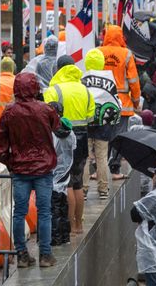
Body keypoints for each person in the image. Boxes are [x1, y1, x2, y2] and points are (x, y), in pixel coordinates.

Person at [0, 73, 60, 268]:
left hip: (21, 169)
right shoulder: (45, 110)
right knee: (45, 212)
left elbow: (0, 142)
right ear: (36, 88)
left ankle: (22, 254)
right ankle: (46, 255)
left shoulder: (9, 112)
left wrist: (10, 162)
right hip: (43, 168)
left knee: (19, 212)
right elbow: (57, 127)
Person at [44, 55, 95, 234]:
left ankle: (70, 224)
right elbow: (91, 117)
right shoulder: (85, 91)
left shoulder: (53, 89)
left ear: (58, 69)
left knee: (66, 184)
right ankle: (79, 225)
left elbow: (46, 114)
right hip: (82, 137)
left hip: (62, 138)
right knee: (78, 182)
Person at [99, 25, 141, 179]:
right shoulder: (127, 54)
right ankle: (114, 169)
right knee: (119, 137)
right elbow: (134, 81)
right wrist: (136, 102)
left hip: (102, 102)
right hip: (122, 103)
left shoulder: (98, 52)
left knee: (101, 136)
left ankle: (99, 169)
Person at [82, 48, 121, 200]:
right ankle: (103, 189)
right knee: (102, 157)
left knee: (85, 157)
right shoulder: (109, 78)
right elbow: (116, 103)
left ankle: (83, 189)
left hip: (85, 122)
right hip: (104, 125)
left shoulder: (82, 78)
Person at [51, 117, 75, 246]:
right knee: (63, 207)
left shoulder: (51, 133)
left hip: (53, 176)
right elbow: (73, 148)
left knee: (53, 209)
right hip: (65, 174)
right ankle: (65, 236)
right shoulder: (70, 133)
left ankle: (55, 238)